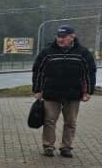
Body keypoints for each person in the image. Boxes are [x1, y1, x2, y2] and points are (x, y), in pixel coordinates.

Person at [31, 24, 96, 157]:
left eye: (64, 37)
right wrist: (37, 89)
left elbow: (89, 72)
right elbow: (38, 71)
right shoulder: (47, 52)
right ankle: (48, 146)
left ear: (72, 37)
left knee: (70, 122)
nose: (61, 39)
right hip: (51, 93)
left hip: (73, 94)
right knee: (49, 121)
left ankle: (66, 147)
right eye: (59, 36)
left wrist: (88, 91)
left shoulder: (83, 53)